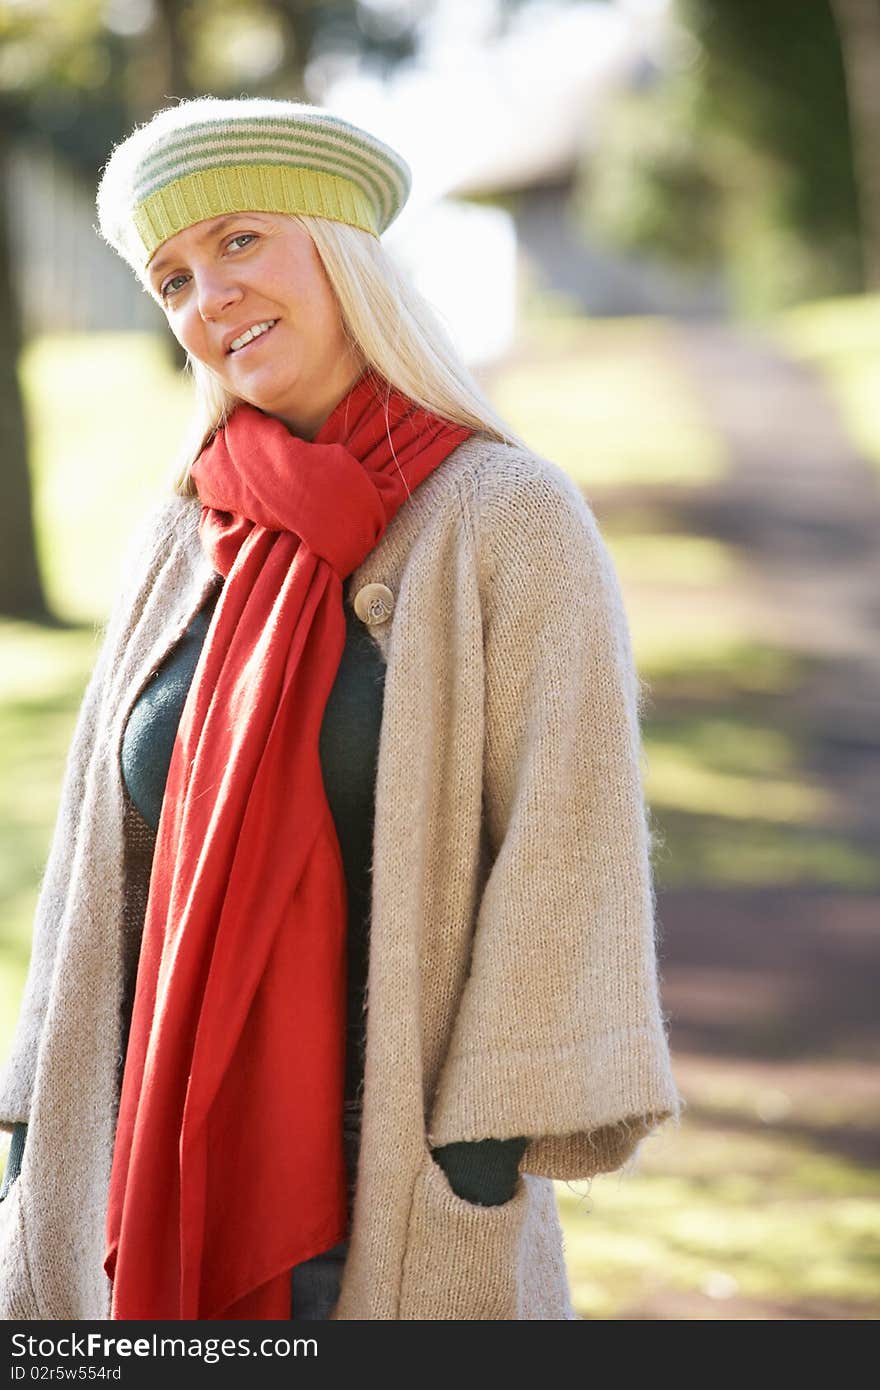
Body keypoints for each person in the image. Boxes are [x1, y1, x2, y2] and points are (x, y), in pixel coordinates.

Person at [0, 95, 683, 1322]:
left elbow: (565, 850)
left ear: (344, 249)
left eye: (240, 242)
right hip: (140, 1179)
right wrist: (30, 1130)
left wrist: (472, 1164)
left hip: (402, 1201)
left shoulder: (506, 516)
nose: (208, 294)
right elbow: (92, 863)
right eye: (171, 277)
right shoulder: (185, 529)